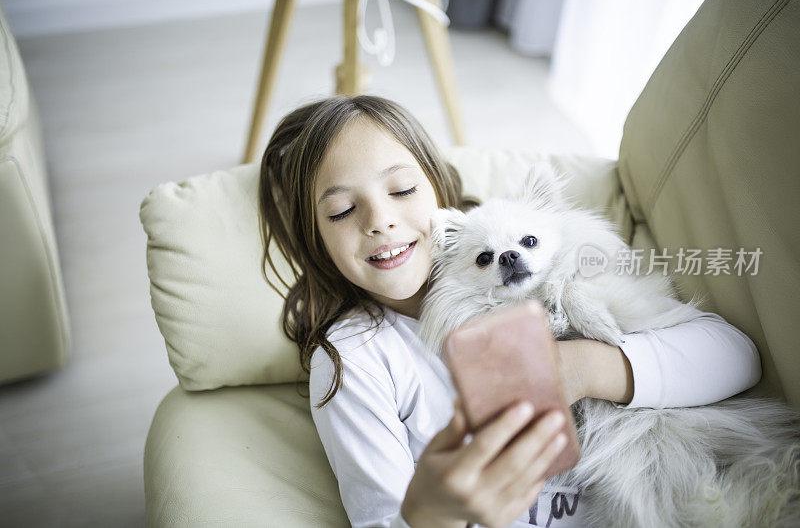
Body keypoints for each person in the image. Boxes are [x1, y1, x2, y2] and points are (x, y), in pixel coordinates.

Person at [257, 95, 761, 528]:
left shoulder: (557, 266)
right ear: (317, 241)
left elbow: (738, 358)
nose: (380, 221)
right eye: (342, 211)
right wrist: (433, 512)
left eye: (402, 189)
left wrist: (584, 368)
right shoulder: (355, 359)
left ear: (436, 188)